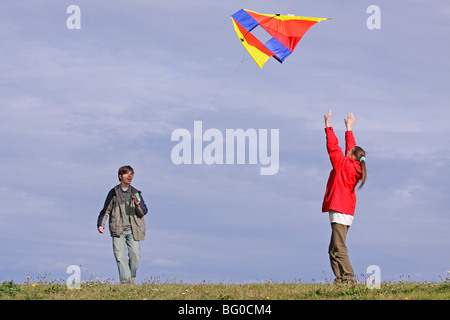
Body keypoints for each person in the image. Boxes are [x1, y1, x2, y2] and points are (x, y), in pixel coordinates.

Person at [322, 110, 367, 284]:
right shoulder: (356, 166)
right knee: (333, 248)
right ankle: (340, 279)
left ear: (352, 156)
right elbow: (351, 148)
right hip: (347, 211)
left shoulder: (343, 165)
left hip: (339, 209)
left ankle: (348, 278)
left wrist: (328, 128)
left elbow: (333, 148)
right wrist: (349, 129)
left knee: (338, 247)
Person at [97, 165, 149, 283]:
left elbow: (144, 212)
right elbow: (106, 210)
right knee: (120, 257)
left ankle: (130, 279)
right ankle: (126, 283)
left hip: (134, 230)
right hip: (118, 229)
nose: (129, 176)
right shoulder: (113, 192)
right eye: (126, 173)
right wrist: (101, 224)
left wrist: (138, 203)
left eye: (131, 174)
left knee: (135, 255)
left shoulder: (136, 193)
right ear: (120, 176)